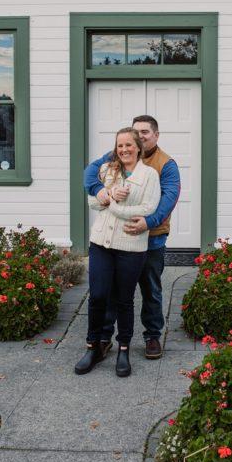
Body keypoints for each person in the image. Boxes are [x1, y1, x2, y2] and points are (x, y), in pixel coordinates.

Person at [84, 115, 180, 361]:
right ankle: (104, 337)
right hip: (117, 239)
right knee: (113, 292)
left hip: (152, 237)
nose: (140, 136)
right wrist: (101, 191)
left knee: (150, 290)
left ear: (155, 135)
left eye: (146, 132)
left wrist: (148, 222)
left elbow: (168, 199)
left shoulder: (166, 164)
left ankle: (152, 336)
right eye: (137, 132)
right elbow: (89, 176)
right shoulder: (114, 158)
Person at [75, 127, 160, 377]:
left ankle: (123, 348)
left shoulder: (150, 175)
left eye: (129, 145)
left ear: (138, 147)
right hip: (101, 242)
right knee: (98, 295)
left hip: (131, 247)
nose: (124, 150)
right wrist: (109, 194)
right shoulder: (107, 170)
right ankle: (93, 347)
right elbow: (91, 201)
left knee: (124, 299)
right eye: (120, 145)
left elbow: (147, 208)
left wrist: (111, 205)